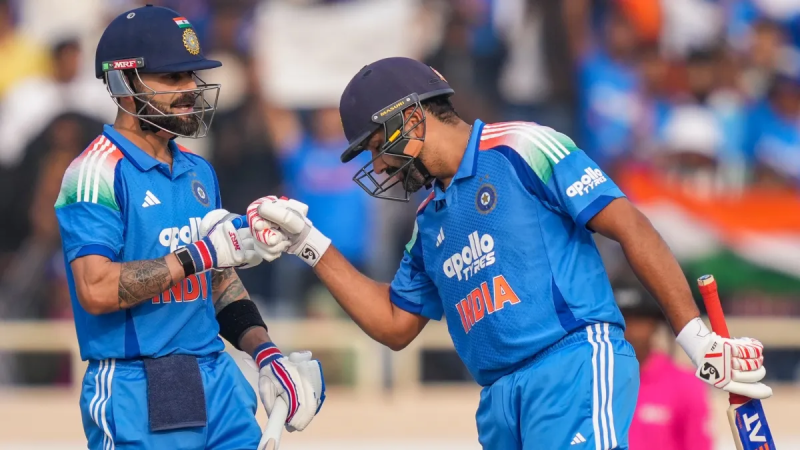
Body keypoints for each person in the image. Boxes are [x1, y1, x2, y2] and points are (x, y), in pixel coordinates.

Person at [245, 57, 771, 449]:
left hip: (572, 365)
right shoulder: (428, 221)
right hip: (498, 399)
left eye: (378, 146)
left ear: (412, 118)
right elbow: (394, 325)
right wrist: (308, 243)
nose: (379, 167)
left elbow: (630, 226)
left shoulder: (523, 146)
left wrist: (696, 338)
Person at [53, 6, 324, 449]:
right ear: (123, 84)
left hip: (216, 377)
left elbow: (218, 279)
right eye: (172, 77)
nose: (191, 89)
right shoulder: (95, 171)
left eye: (191, 76)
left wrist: (264, 351)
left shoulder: (199, 170)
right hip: (137, 382)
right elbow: (95, 288)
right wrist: (200, 253)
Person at [614, 276, 713, 449]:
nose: (629, 330)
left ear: (654, 324)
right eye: (622, 320)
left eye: (639, 320)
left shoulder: (685, 384)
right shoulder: (589, 381)